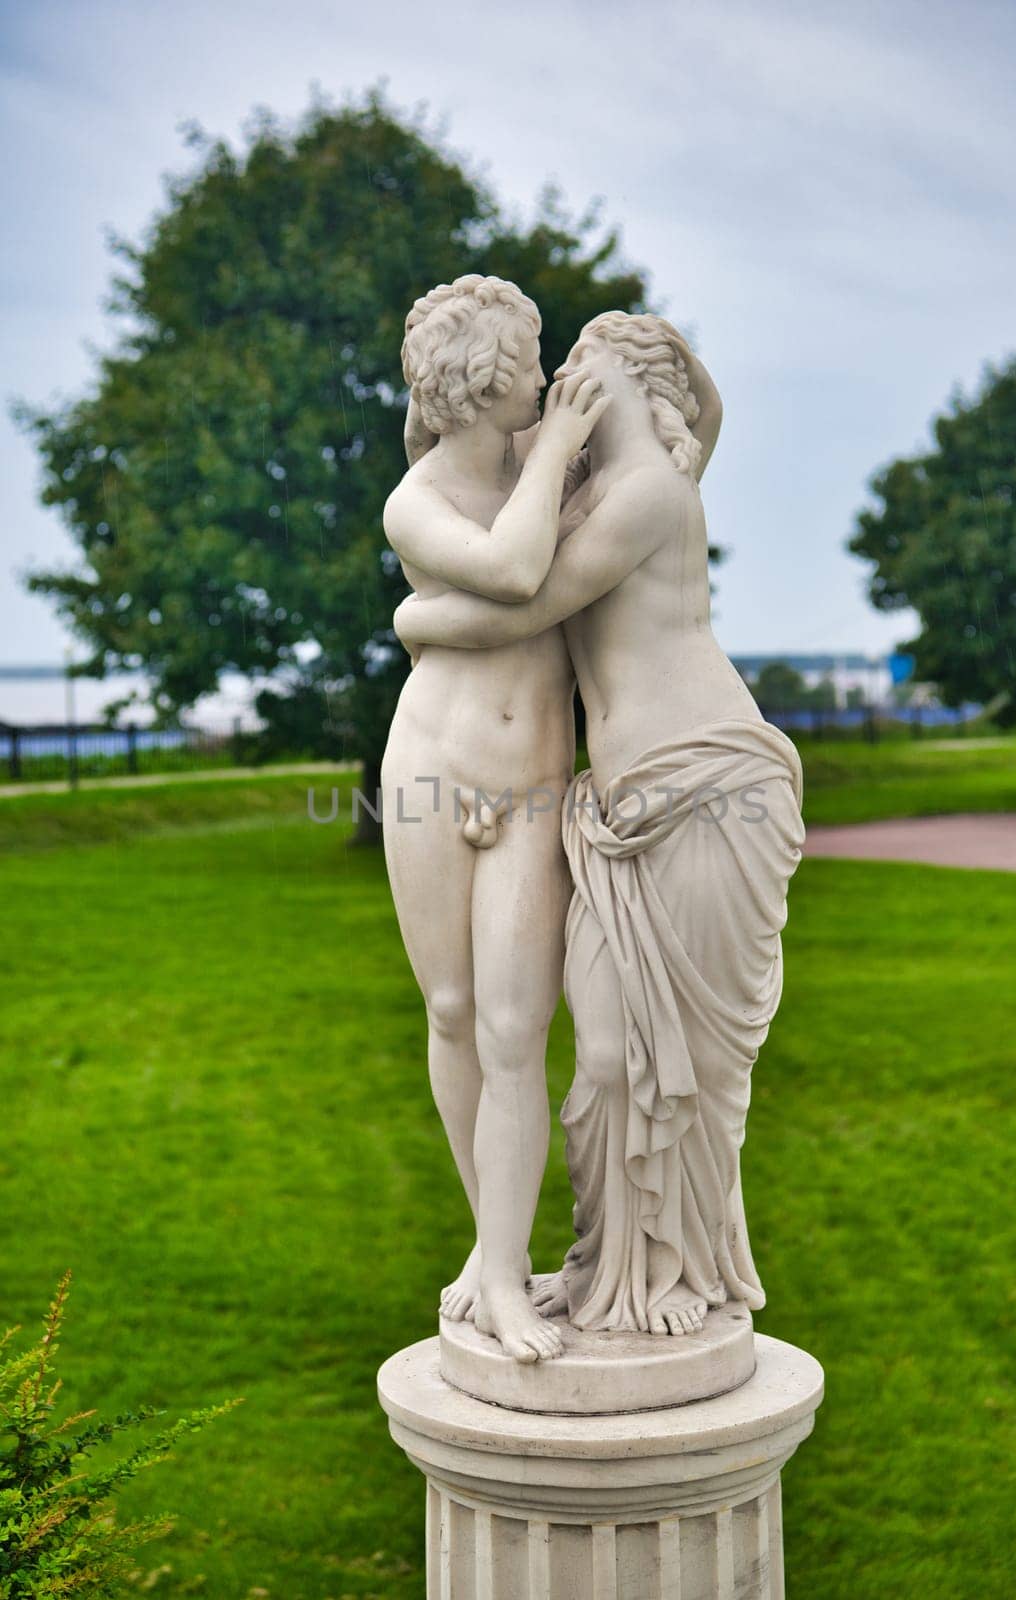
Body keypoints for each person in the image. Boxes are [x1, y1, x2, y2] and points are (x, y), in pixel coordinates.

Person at [393, 312, 805, 1337]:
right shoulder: (570, 477)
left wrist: (413, 620)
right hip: (612, 801)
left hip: (701, 780)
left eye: (586, 364)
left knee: (686, 1058)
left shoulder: (647, 493)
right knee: (615, 1052)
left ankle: (675, 1270)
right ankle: (605, 1262)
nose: (564, 381)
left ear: (635, 388)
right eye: (554, 363)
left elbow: (527, 594)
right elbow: (454, 449)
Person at [381, 275, 609, 1363]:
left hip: (529, 789)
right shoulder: (416, 498)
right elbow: (520, 569)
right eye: (528, 353)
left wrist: (420, 613)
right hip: (428, 773)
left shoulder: (544, 467)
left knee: (521, 1032)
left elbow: (686, 446)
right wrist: (560, 444)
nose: (545, 368)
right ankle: (497, 1258)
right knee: (454, 1011)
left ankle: (506, 1272)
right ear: (481, 377)